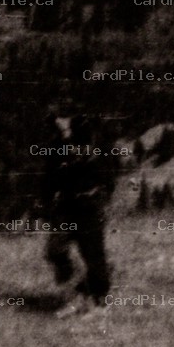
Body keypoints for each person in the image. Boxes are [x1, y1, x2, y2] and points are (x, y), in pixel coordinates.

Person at [42, 112, 118, 317]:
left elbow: (100, 169)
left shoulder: (93, 139)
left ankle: (99, 302)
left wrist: (102, 198)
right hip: (66, 206)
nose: (59, 121)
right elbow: (50, 175)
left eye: (63, 118)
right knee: (55, 250)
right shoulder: (56, 144)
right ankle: (77, 297)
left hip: (89, 205)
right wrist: (44, 203)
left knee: (94, 256)